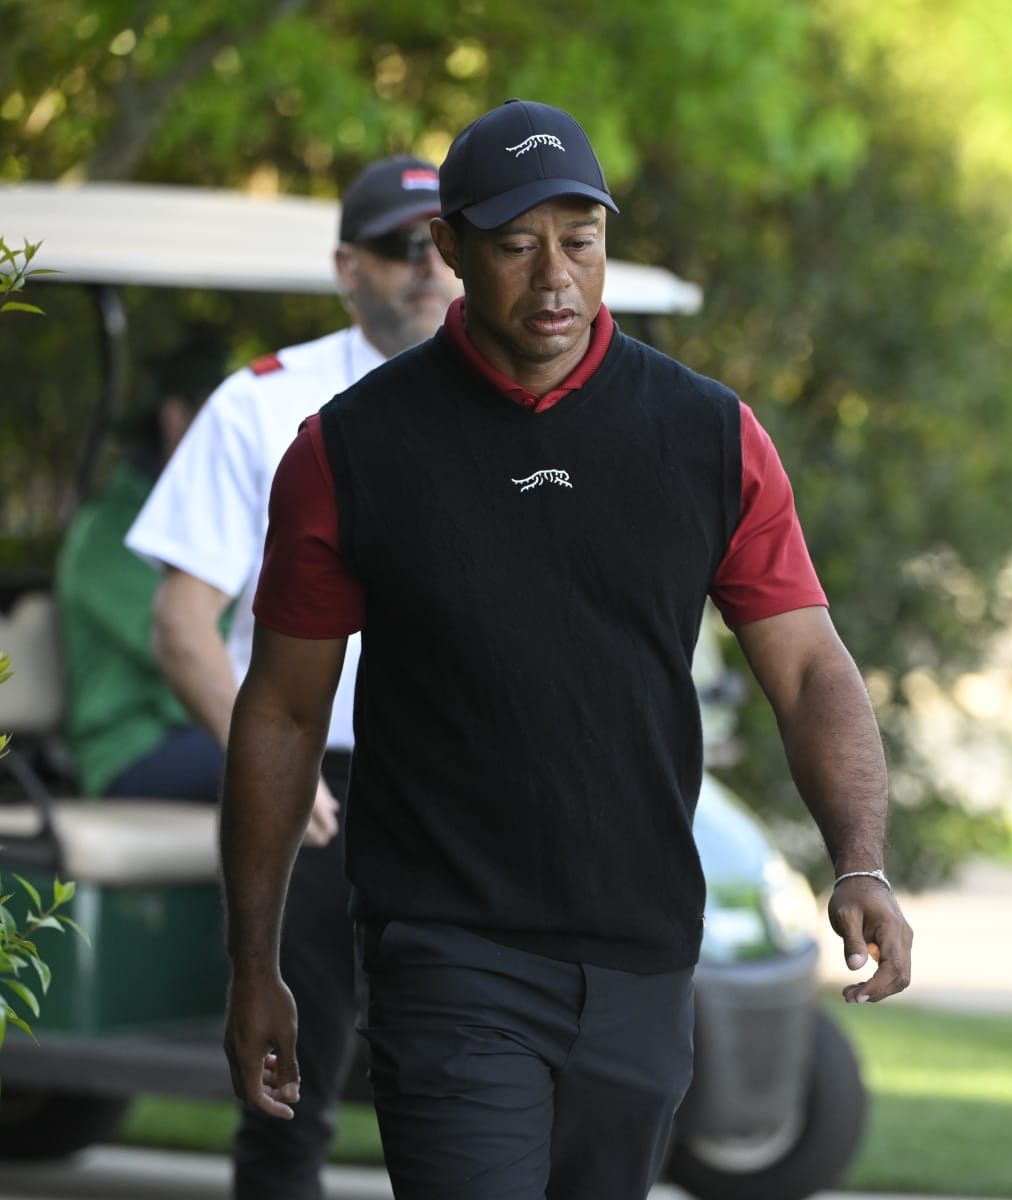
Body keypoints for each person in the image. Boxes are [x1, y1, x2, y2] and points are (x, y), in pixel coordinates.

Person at [217, 99, 913, 1200]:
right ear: (448, 250)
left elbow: (811, 667)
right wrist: (254, 963)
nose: (555, 277)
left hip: (640, 952)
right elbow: (284, 711)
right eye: (514, 245)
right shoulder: (350, 452)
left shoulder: (707, 436)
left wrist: (860, 859)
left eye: (579, 242)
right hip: (447, 950)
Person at [125, 154, 459, 1199]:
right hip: (314, 786)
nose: (427, 268)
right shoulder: (264, 407)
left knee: (465, 1081)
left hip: (463, 786)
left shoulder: (523, 401)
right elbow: (183, 625)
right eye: (401, 249)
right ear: (345, 268)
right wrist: (279, 769)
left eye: (444, 244)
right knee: (288, 1097)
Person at [55, 339, 228, 801]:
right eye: (226, 422)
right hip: (132, 748)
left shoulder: (213, 515)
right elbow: (188, 642)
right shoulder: (108, 532)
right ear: (174, 418)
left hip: (207, 731)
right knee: (307, 757)